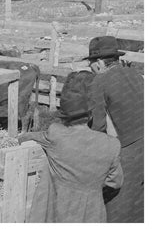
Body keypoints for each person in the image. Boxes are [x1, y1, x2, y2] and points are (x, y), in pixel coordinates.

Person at [18, 71, 123, 223]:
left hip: (59, 210)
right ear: (90, 115)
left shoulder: (55, 133)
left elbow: (28, 137)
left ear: (64, 115)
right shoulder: (111, 145)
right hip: (92, 213)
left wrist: (22, 138)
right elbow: (115, 182)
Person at [84, 36, 144, 223]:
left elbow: (98, 126)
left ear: (100, 62)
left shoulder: (99, 81)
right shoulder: (134, 73)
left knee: (118, 207)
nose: (91, 68)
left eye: (91, 63)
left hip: (131, 150)